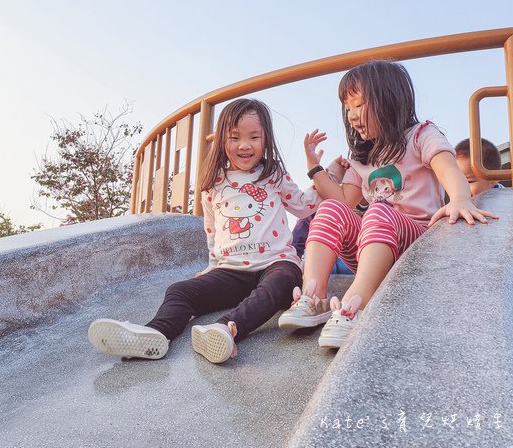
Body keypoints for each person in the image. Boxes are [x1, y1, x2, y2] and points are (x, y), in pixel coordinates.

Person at [88, 98, 333, 364]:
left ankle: (225, 329)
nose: (244, 145)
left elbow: (303, 205)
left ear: (266, 139)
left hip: (276, 263)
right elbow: (212, 230)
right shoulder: (214, 183)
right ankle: (155, 331)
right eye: (235, 137)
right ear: (222, 140)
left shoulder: (273, 173)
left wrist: (324, 174)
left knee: (281, 282)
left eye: (254, 137)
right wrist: (212, 266)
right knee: (180, 290)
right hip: (231, 270)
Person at [278, 60, 497, 349]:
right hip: (374, 250)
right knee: (330, 209)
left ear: (389, 99)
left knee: (380, 208)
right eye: (348, 108)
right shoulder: (362, 157)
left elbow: (448, 169)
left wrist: (459, 198)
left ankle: (356, 305)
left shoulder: (421, 135)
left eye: (359, 105)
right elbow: (343, 201)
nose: (352, 116)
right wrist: (315, 168)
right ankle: (313, 296)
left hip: (415, 247)